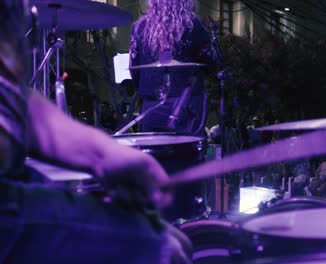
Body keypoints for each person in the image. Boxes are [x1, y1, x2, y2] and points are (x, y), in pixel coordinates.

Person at [0, 1, 188, 262]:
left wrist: (102, 154)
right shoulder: (193, 28)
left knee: (161, 234)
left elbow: (13, 100)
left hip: (12, 174)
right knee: (158, 247)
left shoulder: (140, 28)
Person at [129, 0, 214, 135]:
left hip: (151, 107)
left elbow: (134, 69)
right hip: (187, 106)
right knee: (186, 153)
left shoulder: (139, 27)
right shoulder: (195, 24)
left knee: (153, 153)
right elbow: (210, 63)